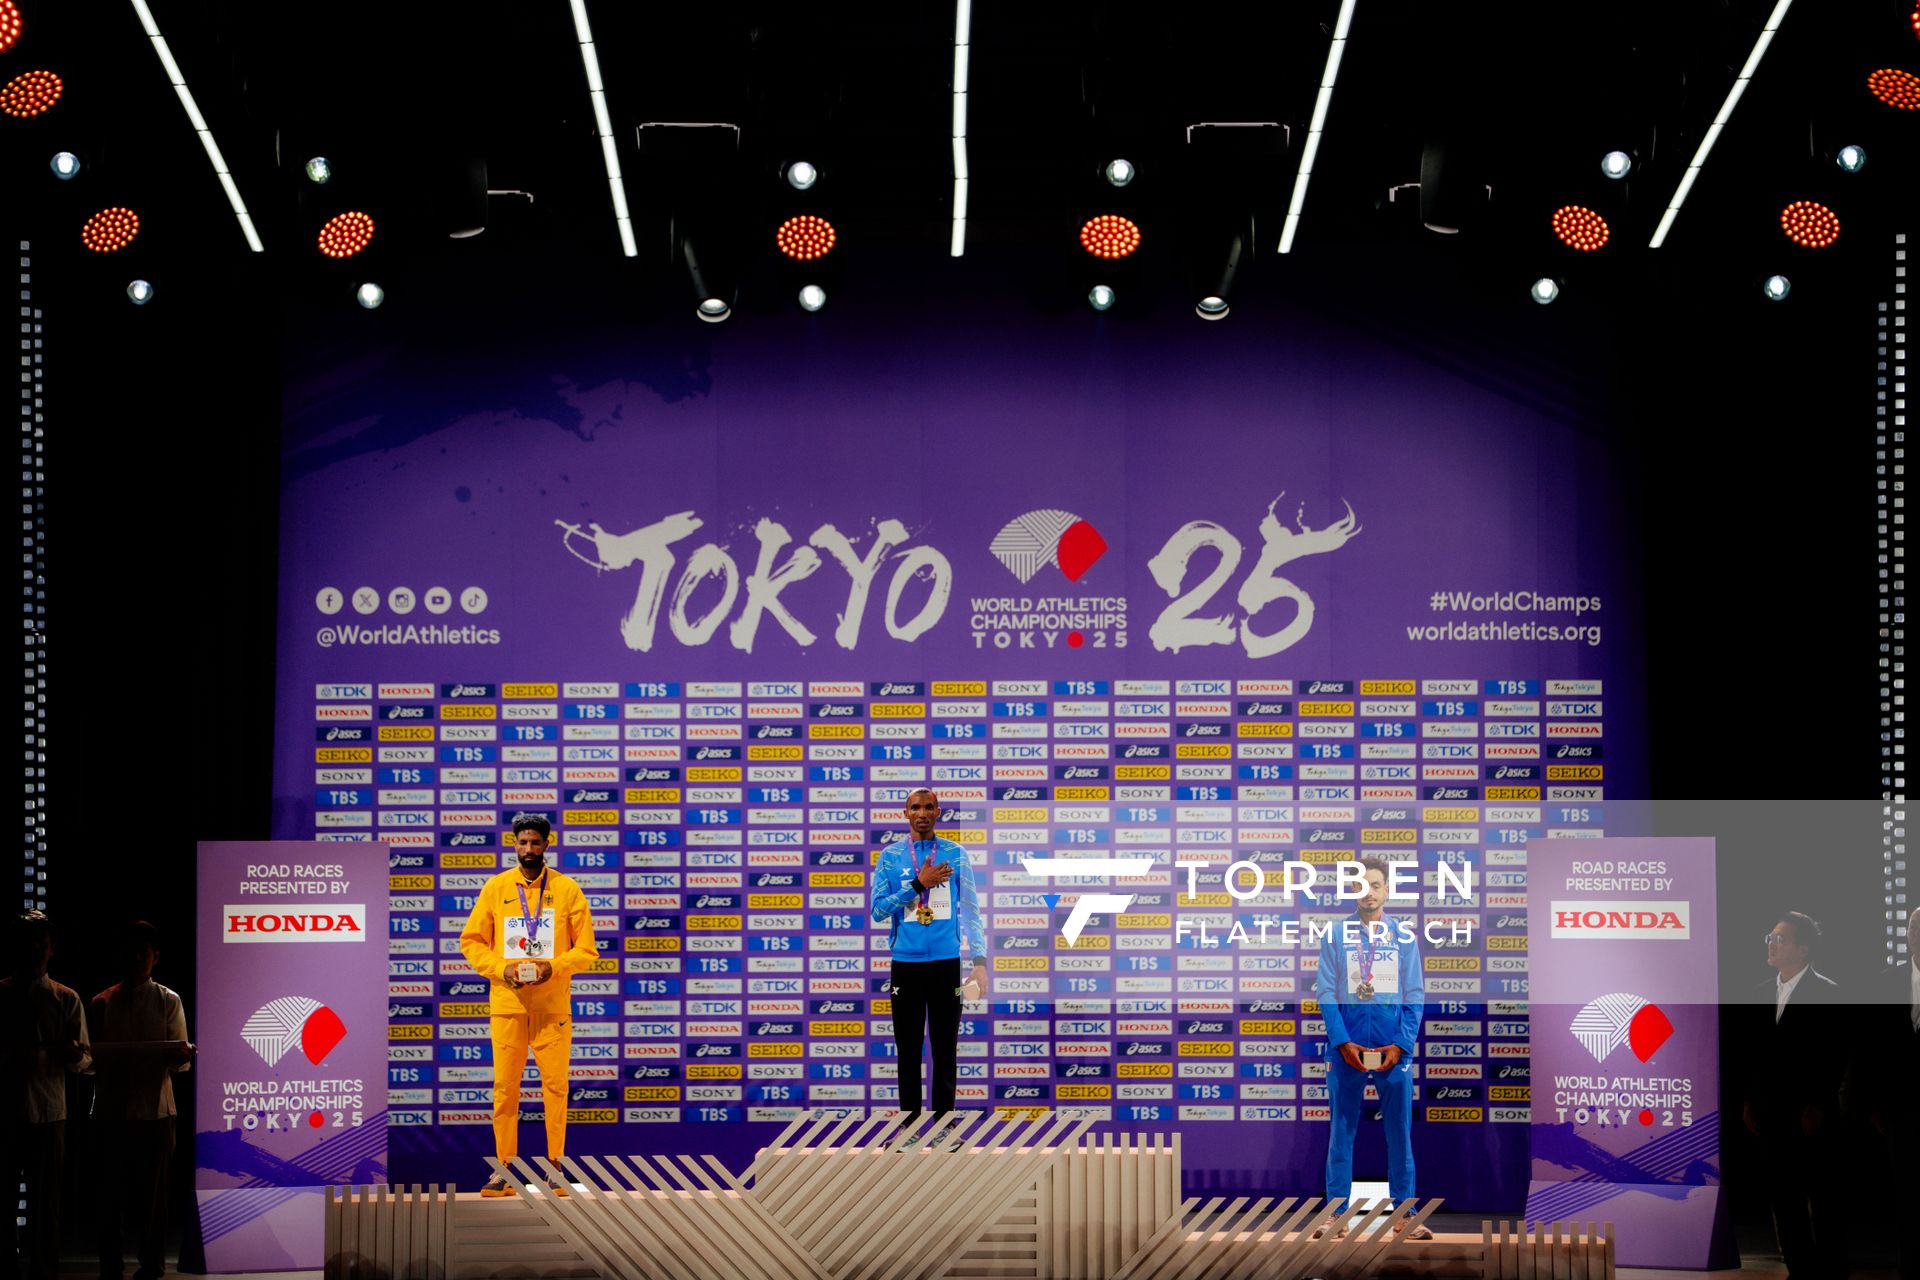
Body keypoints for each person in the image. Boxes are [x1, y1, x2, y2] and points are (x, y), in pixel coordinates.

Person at [459, 813, 598, 1196]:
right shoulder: (497, 887)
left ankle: (555, 1167)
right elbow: (471, 941)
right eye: (522, 843)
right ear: (513, 844)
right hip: (507, 1003)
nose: (528, 850)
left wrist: (551, 967)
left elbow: (586, 949)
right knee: (505, 1089)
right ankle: (503, 1169)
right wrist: (502, 970)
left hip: (552, 1006)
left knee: (555, 1087)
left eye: (536, 843)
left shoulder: (568, 889)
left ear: (547, 845)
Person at [1313, 857, 1429, 1240]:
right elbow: (1326, 993)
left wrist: (1401, 1044)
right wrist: (1342, 1041)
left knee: (1399, 1132)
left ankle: (1406, 1215)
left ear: (1387, 891)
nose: (1368, 892)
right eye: (1361, 885)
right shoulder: (1334, 935)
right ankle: (1335, 1215)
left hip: (1392, 1050)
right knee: (1341, 1132)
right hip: (1345, 1050)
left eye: (1375, 885)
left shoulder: (1403, 937)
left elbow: (1414, 994)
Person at [868, 788, 985, 1137]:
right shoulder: (889, 858)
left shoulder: (955, 854)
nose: (922, 813)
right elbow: (877, 912)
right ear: (905, 813)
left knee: (945, 1048)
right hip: (905, 964)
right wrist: (918, 884)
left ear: (938, 812)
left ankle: (945, 1128)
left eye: (929, 807)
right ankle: (909, 1128)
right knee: (907, 1050)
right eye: (915, 807)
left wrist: (979, 959)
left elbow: (972, 911)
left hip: (946, 964)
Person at [1742, 912, 1846, 1280]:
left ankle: (1830, 1272)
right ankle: (1798, 1270)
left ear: (1803, 949)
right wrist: (1750, 1102)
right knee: (1783, 1199)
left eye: (1781, 939)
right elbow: (1753, 1057)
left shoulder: (1827, 993)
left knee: (1822, 1199)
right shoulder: (1758, 993)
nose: (1772, 945)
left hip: (1809, 1117)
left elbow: (1833, 1058)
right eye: (1769, 938)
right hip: (1770, 1115)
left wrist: (1818, 1105)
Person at [89, 920, 194, 1280]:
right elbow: (89, 1062)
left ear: (155, 957)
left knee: (154, 1200)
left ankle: (152, 1266)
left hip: (156, 1113)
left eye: (143, 951)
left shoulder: (168, 1000)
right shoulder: (101, 1002)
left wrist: (180, 1056)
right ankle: (110, 1266)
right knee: (109, 1198)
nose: (136, 958)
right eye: (130, 951)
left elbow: (181, 1061)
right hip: (111, 1112)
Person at [1, 909, 91, 1280]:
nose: (37, 947)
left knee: (47, 1202)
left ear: (52, 948)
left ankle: (44, 1270)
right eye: (30, 940)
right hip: (7, 1110)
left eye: (43, 940)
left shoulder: (65, 998)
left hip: (50, 1112)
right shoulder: (2, 993)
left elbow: (85, 1058)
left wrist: (73, 1056)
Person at [1861, 906, 1920, 1280]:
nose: (1916, 933)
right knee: (1908, 1194)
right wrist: (1875, 1104)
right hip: (1901, 1108)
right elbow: (1873, 1050)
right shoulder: (1886, 981)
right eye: (1913, 926)